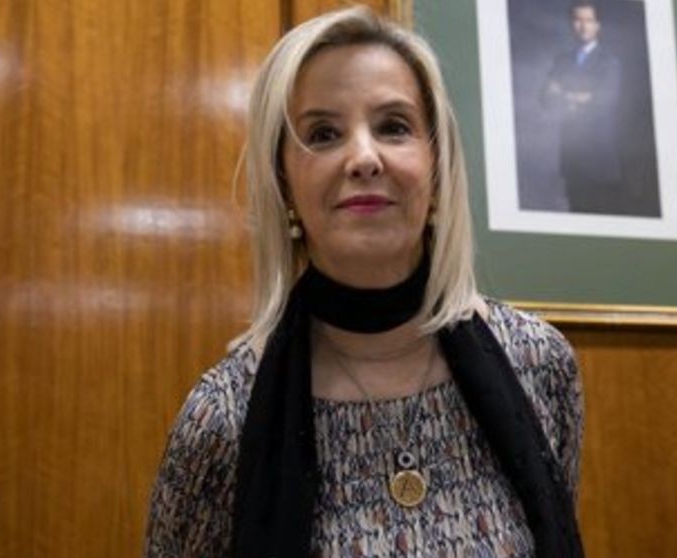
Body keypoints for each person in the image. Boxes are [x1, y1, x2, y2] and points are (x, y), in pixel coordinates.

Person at [145, 6, 584, 557]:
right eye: (323, 133)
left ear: (438, 166)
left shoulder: (538, 362)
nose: (364, 158)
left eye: (393, 127)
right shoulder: (222, 416)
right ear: (283, 183)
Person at [541, 1, 622, 214]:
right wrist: (582, 96)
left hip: (599, 160)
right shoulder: (562, 61)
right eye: (578, 20)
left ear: (598, 25)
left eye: (589, 20)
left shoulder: (608, 63)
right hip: (571, 159)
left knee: (599, 217)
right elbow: (545, 100)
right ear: (571, 24)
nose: (583, 26)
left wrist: (564, 93)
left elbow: (603, 102)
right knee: (575, 211)